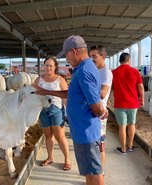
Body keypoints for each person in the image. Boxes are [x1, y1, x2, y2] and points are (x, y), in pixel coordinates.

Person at [34, 35, 107, 185]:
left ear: (73, 51)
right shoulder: (82, 68)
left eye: (66, 54)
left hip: (86, 131)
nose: (66, 59)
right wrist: (45, 91)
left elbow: (98, 107)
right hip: (82, 131)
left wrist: (101, 113)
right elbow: (72, 94)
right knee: (89, 171)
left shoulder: (84, 71)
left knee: (95, 172)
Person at [33, 56, 71, 171]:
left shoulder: (60, 80)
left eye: (51, 65)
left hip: (56, 110)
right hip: (43, 111)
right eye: (46, 65)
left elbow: (65, 97)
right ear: (43, 66)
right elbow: (33, 95)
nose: (48, 67)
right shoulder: (38, 80)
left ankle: (67, 160)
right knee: (48, 136)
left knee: (60, 136)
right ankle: (50, 157)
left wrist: (68, 113)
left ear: (55, 67)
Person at [112, 53, 144, 155]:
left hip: (120, 104)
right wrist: (142, 99)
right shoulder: (135, 71)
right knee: (131, 124)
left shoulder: (114, 72)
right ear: (129, 60)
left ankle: (123, 149)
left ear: (119, 61)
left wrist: (109, 99)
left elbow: (110, 88)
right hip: (133, 104)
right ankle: (130, 146)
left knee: (122, 126)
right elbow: (141, 87)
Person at [89, 45, 113, 172]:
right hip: (92, 110)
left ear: (103, 56)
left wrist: (85, 92)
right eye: (90, 56)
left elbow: (103, 93)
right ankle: (95, 171)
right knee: (93, 144)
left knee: (100, 145)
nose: (92, 59)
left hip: (99, 112)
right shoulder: (95, 70)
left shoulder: (106, 72)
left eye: (94, 56)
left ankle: (100, 173)